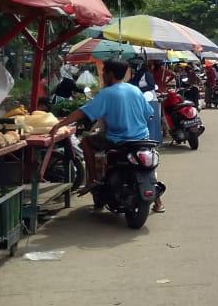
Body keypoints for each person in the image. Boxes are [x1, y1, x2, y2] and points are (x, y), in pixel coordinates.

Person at [49, 59, 163, 212]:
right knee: (147, 165)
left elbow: (83, 111)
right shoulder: (135, 90)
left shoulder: (107, 93)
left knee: (86, 141)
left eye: (103, 72)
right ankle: (158, 202)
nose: (102, 75)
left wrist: (59, 125)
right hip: (141, 138)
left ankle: (91, 180)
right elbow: (148, 114)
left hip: (117, 140)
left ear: (109, 74)